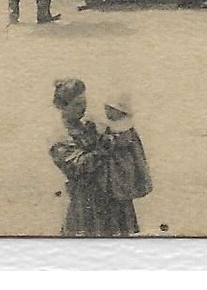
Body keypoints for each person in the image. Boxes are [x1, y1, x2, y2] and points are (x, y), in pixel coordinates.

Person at [49, 78, 140, 238]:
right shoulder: (59, 137)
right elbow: (78, 165)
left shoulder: (91, 123)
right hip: (84, 203)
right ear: (63, 107)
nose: (82, 108)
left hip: (111, 197)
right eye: (77, 105)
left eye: (84, 102)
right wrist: (104, 148)